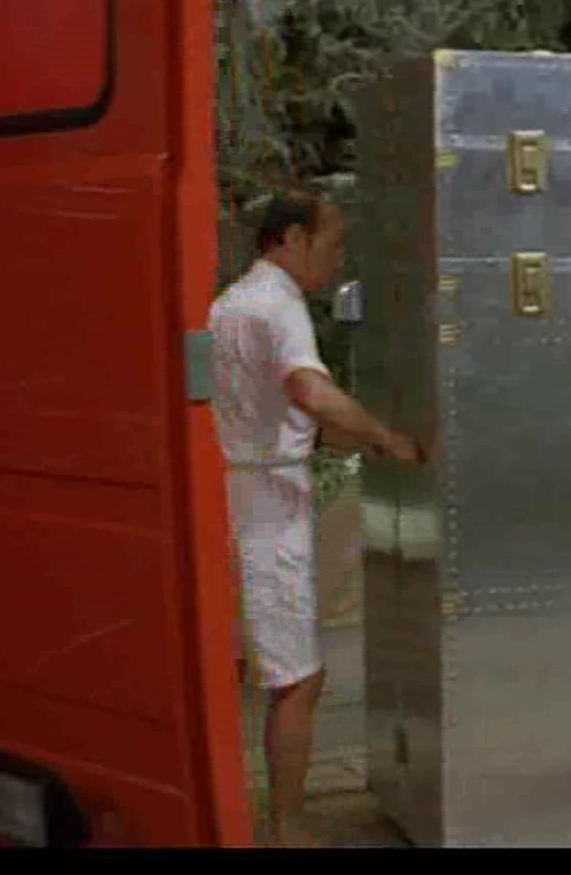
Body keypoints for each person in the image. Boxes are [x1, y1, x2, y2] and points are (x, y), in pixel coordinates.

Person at [209, 185, 427, 846]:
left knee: (253, 669)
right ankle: (288, 826)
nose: (337, 260)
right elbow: (308, 390)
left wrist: (362, 439)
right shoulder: (279, 305)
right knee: (298, 678)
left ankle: (248, 813)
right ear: (292, 239)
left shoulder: (231, 304)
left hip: (236, 494)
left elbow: (289, 414)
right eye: (331, 244)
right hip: (269, 510)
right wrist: (386, 435)